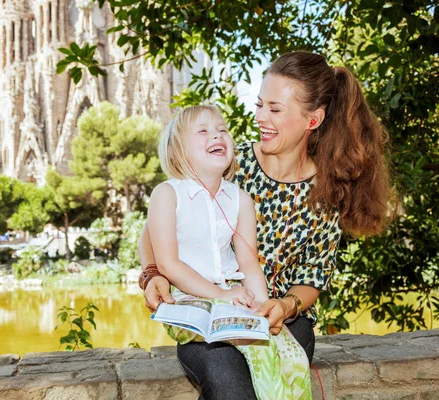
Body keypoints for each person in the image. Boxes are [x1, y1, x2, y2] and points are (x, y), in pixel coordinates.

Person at [139, 51, 392, 399]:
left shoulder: (326, 193)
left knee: (279, 379)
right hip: (214, 313)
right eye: (260, 104)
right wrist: (152, 273)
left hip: (285, 318)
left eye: (274, 109)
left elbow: (313, 278)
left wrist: (284, 307)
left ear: (312, 120)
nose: (260, 117)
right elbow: (153, 231)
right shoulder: (228, 161)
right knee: (230, 384)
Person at [148, 104, 312, 399]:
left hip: (232, 302)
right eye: (203, 131)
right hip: (192, 304)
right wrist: (220, 294)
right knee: (231, 362)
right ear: (178, 151)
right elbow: (169, 264)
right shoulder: (167, 194)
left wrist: (263, 307)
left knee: (288, 352)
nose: (217, 135)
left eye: (222, 130)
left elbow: (248, 263)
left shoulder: (240, 199)